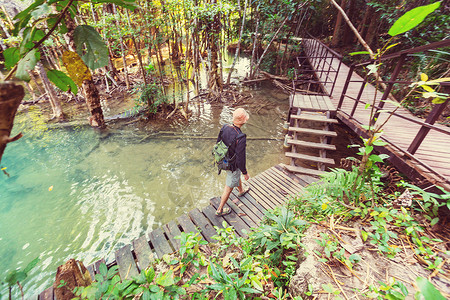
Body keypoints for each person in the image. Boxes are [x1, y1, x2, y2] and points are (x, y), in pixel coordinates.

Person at [215, 108, 250, 216]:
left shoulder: (225, 127)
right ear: (243, 119)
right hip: (232, 165)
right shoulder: (240, 137)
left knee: (235, 176)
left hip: (224, 160)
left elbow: (218, 142)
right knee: (229, 186)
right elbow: (240, 159)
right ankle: (219, 210)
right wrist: (245, 172)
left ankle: (241, 191)